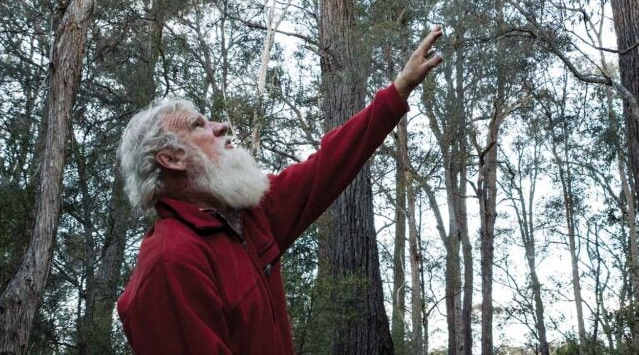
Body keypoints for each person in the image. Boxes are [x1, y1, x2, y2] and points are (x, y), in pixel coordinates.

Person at [115, 26, 444, 355]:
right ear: (171, 159)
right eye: (198, 125)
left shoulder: (248, 216)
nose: (221, 126)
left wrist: (398, 91)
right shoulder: (170, 265)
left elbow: (326, 167)